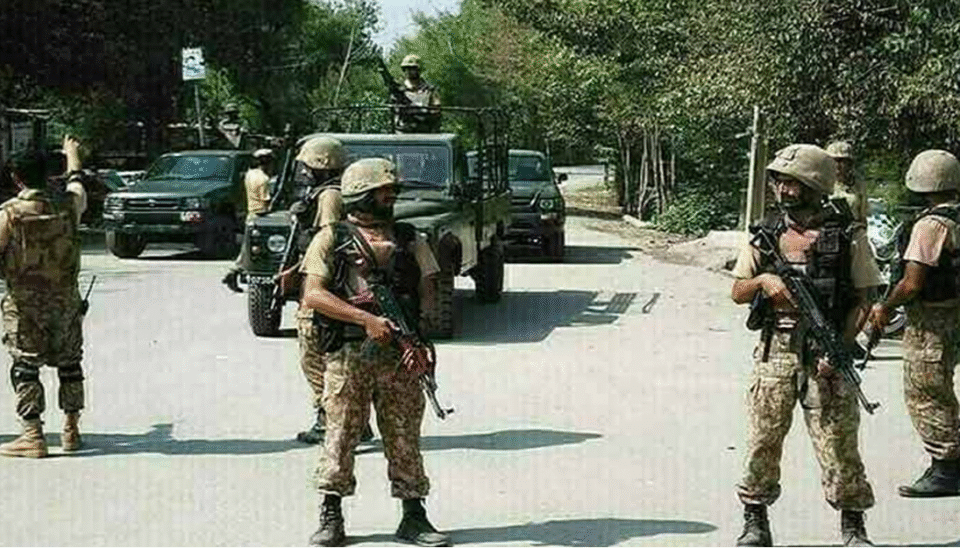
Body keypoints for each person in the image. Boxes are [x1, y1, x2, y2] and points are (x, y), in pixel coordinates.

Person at [731, 144, 880, 546]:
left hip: (826, 354)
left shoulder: (847, 236)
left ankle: (853, 526)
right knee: (762, 440)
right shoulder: (766, 234)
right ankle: (755, 520)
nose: (784, 190)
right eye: (779, 182)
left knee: (839, 444)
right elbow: (738, 291)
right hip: (776, 352)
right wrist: (764, 281)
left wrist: (840, 348)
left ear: (816, 186)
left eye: (793, 183)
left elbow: (865, 299)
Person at [301, 158, 450, 547]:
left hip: (400, 355)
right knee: (340, 434)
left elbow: (429, 284)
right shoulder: (331, 238)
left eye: (392, 191)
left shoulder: (409, 237)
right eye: (384, 192)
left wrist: (420, 338)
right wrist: (364, 318)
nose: (391, 197)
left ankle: (414, 515)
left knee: (404, 435)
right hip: (350, 353)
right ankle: (331, 515)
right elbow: (313, 295)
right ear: (361, 194)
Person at [868, 149, 960, 498]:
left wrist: (885, 306)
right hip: (954, 314)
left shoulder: (929, 225)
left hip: (931, 321)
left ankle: (947, 469)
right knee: (941, 387)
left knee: (925, 392)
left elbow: (911, 283)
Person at [0, 136, 89, 458]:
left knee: (25, 367)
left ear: (16, 177)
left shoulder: (9, 214)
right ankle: (71, 429)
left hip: (25, 305)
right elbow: (78, 184)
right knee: (70, 364)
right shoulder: (68, 206)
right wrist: (72, 156)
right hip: (66, 301)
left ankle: (33, 435)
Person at [222, 148, 275, 292]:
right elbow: (266, 200)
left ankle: (234, 273)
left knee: (246, 248)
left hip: (251, 214)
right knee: (254, 251)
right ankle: (235, 272)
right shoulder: (264, 180)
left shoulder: (250, 174)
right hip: (261, 215)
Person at [394, 55, 441, 134]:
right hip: (402, 133)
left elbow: (436, 112)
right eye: (407, 68)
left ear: (419, 70)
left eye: (413, 68)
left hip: (425, 133)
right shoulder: (398, 91)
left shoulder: (429, 90)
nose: (410, 71)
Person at [827, 141, 868, 224]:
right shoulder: (821, 183)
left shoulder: (859, 186)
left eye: (841, 161)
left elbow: (863, 218)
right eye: (834, 160)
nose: (837, 165)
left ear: (849, 163)